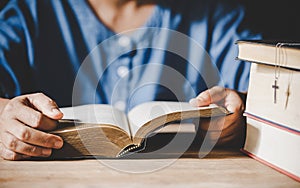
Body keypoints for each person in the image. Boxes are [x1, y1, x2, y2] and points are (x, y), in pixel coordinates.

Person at [0, 0, 261, 160]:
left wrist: (241, 112)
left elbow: (272, 93)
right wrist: (6, 117)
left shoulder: (217, 15)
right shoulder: (28, 12)